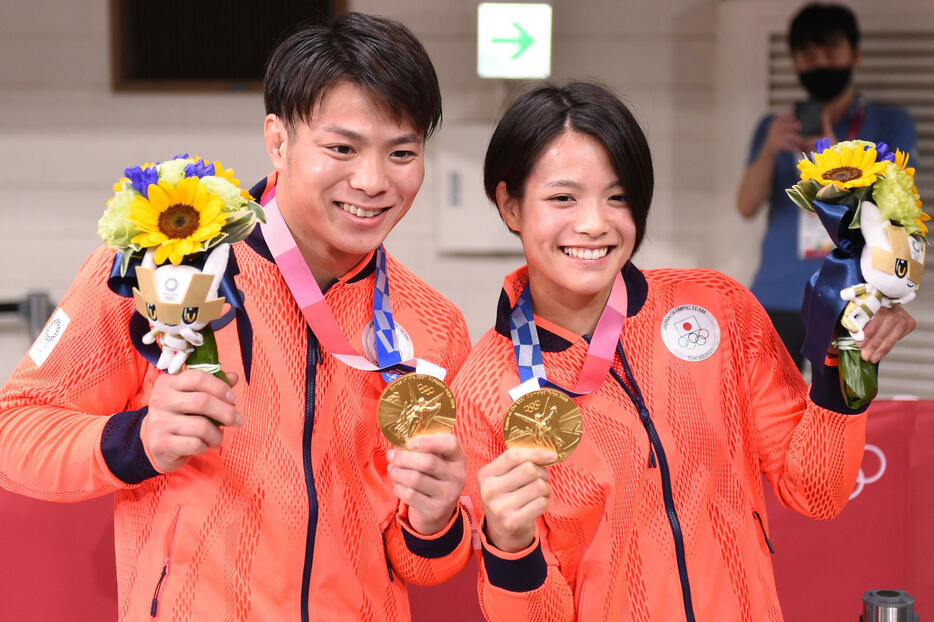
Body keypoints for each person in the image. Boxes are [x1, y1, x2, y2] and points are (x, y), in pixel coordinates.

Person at [0, 13, 473, 621]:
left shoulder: (434, 324)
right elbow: (14, 430)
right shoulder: (161, 267)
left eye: (402, 152)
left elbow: (423, 565)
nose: (373, 181)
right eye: (341, 148)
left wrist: (434, 522)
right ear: (278, 140)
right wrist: (134, 441)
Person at [452, 82, 915, 621]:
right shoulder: (483, 389)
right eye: (563, 197)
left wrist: (848, 361)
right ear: (510, 204)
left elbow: (817, 490)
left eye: (618, 196)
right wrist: (510, 546)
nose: (595, 223)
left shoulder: (718, 306)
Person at [735, 2, 916, 369]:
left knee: (841, 409)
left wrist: (834, 159)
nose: (819, 63)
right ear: (795, 61)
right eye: (806, 54)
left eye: (830, 50)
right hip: (776, 291)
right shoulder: (776, 127)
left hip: (851, 292)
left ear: (856, 55)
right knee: (767, 412)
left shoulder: (889, 123)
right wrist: (770, 150)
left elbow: (898, 211)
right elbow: (746, 206)